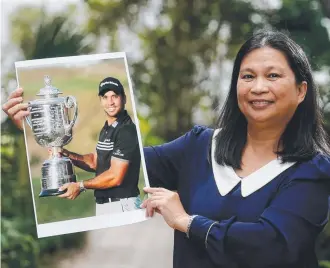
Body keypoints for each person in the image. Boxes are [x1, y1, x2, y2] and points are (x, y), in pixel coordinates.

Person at [3, 30, 330, 267]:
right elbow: (122, 164)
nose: (258, 87)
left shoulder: (312, 170)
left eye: (273, 75)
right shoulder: (200, 146)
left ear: (301, 90)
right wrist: (45, 137)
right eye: (247, 76)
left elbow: (272, 245)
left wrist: (187, 222)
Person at [3, 76, 142, 215]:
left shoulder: (126, 130)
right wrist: (67, 154)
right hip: (106, 206)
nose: (110, 102)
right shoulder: (108, 128)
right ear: (100, 100)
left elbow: (115, 176)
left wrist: (80, 185)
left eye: (114, 96)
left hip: (123, 206)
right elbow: (96, 162)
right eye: (105, 97)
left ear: (124, 98)